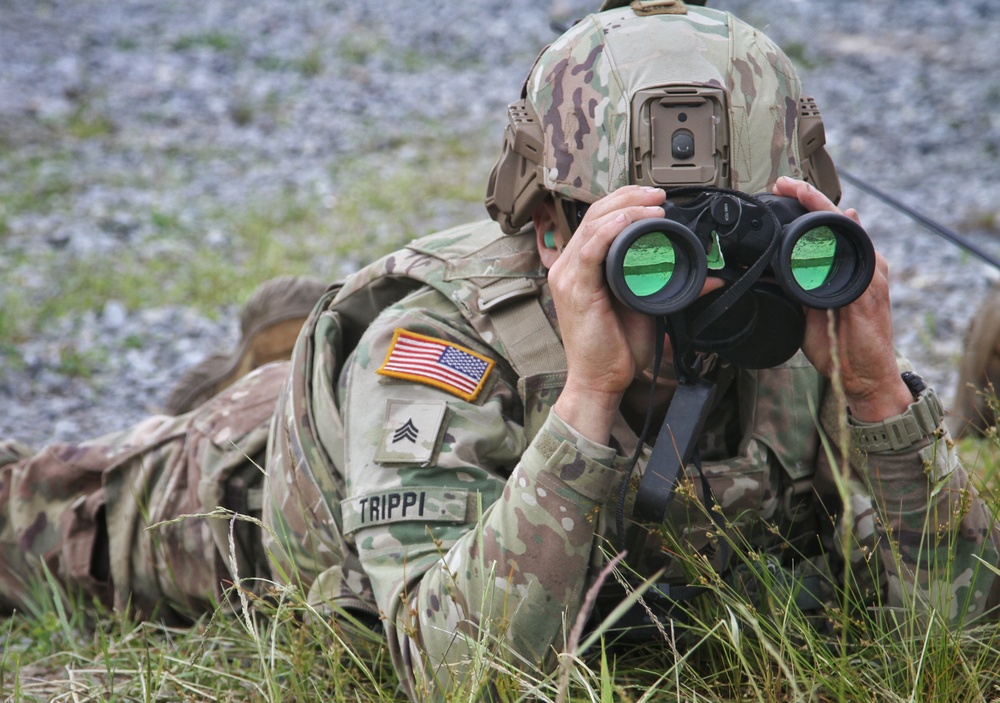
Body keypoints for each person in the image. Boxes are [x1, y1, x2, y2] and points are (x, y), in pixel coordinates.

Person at [2, 2, 999, 700]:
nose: (709, 287)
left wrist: (877, 396)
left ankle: (282, 340)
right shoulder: (438, 347)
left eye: (740, 242)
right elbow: (460, 673)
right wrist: (591, 397)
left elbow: (959, 636)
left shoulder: (786, 333)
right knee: (43, 514)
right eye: (654, 250)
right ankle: (282, 364)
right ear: (549, 232)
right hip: (247, 494)